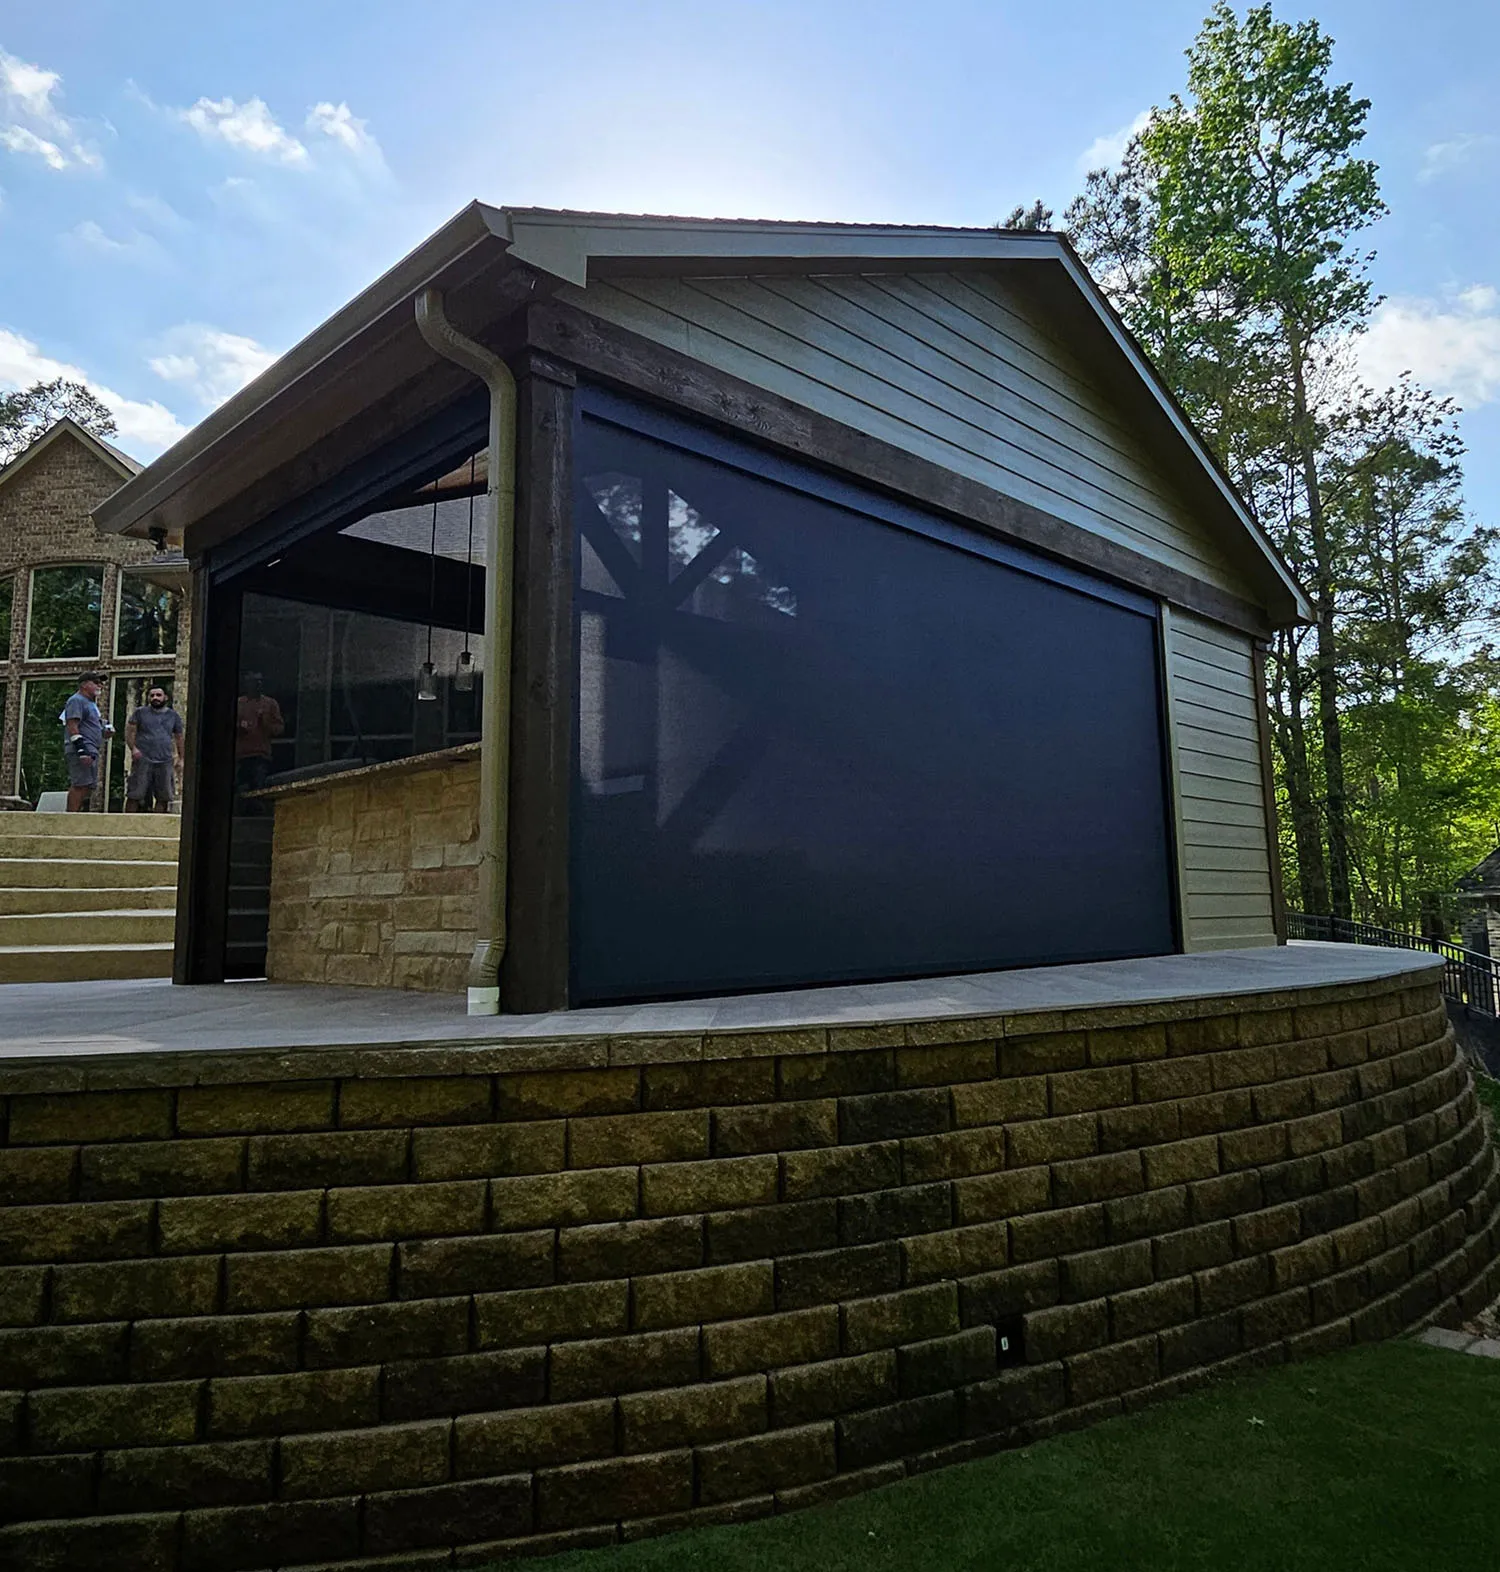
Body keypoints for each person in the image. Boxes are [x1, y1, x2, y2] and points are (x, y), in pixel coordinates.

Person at [124, 685, 184, 814]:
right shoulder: (140, 713)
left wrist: (181, 758)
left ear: (165, 697)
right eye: (152, 695)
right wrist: (133, 749)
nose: (155, 698)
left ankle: (159, 824)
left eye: (158, 695)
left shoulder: (173, 715)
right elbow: (130, 731)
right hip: (143, 758)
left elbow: (179, 737)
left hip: (165, 759)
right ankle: (127, 822)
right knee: (135, 793)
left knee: (164, 795)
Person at [60, 673, 112, 813]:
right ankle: (70, 817)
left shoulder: (91, 703)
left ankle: (76, 813)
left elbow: (91, 726)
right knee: (80, 784)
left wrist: (105, 731)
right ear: (84, 684)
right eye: (96, 682)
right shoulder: (76, 700)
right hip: (82, 748)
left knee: (87, 784)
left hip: (92, 748)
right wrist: (81, 750)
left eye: (100, 683)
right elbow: (72, 724)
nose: (100, 685)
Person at [235, 671, 284, 802]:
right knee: (238, 786)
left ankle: (257, 808)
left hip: (260, 754)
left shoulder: (270, 704)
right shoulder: (239, 704)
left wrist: (265, 723)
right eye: (254, 682)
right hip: (240, 755)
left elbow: (279, 729)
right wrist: (240, 727)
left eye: (259, 682)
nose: (257, 685)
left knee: (258, 786)